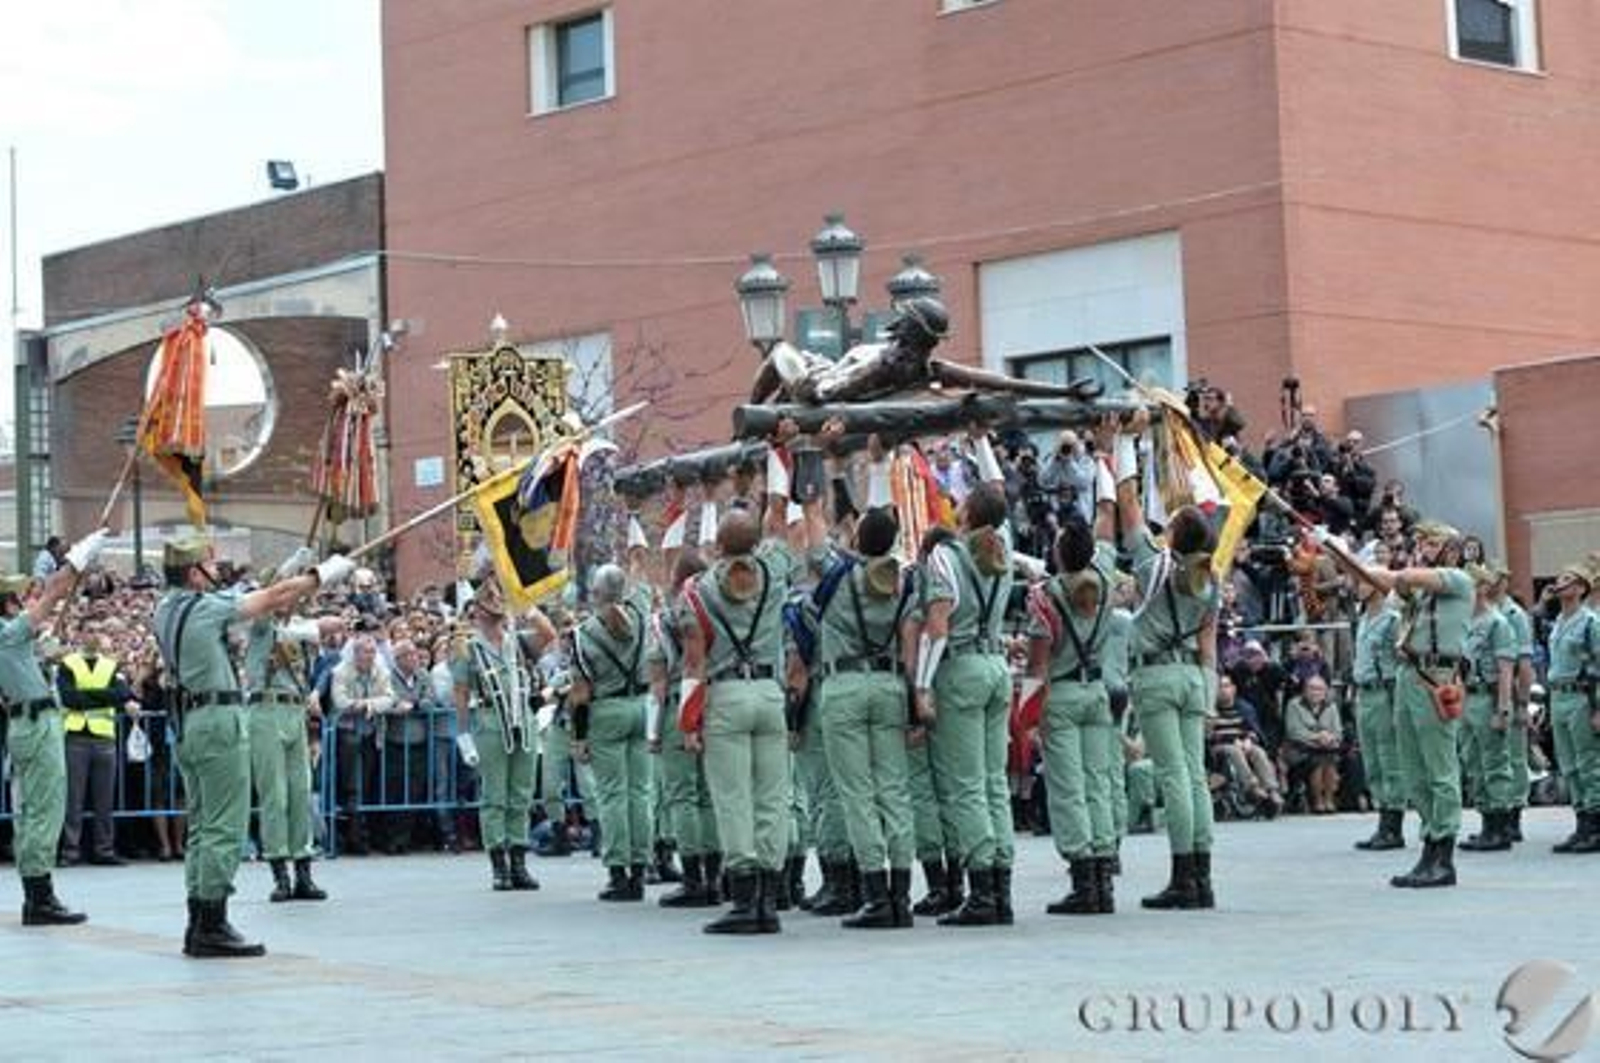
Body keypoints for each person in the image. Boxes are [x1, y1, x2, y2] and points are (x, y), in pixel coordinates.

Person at [154, 536, 354, 957]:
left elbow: (272, 600)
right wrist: (323, 574)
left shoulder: (166, 607)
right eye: (210, 565)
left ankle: (199, 919)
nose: (216, 571)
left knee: (203, 826)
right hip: (217, 720)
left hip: (190, 719)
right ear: (194, 573)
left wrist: (297, 574)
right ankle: (213, 923)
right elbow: (273, 596)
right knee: (224, 825)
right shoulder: (203, 607)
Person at [676, 444, 802, 935]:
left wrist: (689, 720)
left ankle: (745, 897)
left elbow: (693, 659)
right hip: (769, 693)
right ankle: (770, 898)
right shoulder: (773, 569)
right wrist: (776, 457)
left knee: (733, 798)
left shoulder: (698, 590)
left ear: (718, 546)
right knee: (773, 795)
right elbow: (779, 519)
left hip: (727, 694)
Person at [907, 426, 1017, 926]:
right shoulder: (1004, 546)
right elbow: (999, 495)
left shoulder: (946, 556)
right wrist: (982, 443)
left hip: (962, 669)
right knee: (994, 782)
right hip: (997, 665)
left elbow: (938, 628)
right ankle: (1002, 885)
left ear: (966, 515)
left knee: (966, 784)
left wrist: (922, 687)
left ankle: (982, 890)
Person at [1113, 412, 1221, 910]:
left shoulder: (1155, 565)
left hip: (1157, 672)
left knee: (1173, 774)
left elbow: (1128, 505)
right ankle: (1202, 873)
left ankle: (1182, 873)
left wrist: (1123, 444)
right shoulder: (1211, 580)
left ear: (1175, 536)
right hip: (1193, 674)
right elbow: (1209, 643)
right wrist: (1210, 692)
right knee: (1195, 774)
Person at [1330, 521, 1472, 888]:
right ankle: (1429, 842)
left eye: (1431, 543)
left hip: (1436, 676)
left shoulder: (1458, 580)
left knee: (1440, 768)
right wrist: (1338, 553)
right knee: (1413, 769)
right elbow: (1377, 579)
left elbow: (1399, 577)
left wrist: (1393, 576)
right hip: (1409, 674)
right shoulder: (1417, 591)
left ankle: (1443, 852)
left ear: (1452, 550)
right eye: (1420, 542)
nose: (1422, 548)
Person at [810, 471, 917, 929]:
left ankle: (875, 892)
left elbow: (814, 535)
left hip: (846, 684)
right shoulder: (905, 583)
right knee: (894, 789)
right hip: (890, 682)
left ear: (857, 538)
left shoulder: (838, 576)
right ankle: (902, 896)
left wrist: (813, 478)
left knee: (857, 793)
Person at [1021, 444, 1120, 918]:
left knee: (1068, 787)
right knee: (1099, 780)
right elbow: (1106, 521)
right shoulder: (1104, 582)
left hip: (1061, 691)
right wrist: (1105, 458)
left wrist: (1027, 716)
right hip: (1096, 689)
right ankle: (1104, 871)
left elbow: (1037, 666)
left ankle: (1082, 876)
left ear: (1059, 555)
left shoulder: (1046, 597)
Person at [2, 527, 109, 926]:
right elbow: (55, 591)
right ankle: (41, 897)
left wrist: (42, 654)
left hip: (26, 722)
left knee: (33, 810)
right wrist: (80, 555)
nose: (27, 601)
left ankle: (37, 893)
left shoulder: (13, 639)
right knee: (45, 809)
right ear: (9, 604)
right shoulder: (10, 632)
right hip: (37, 724)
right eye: (20, 598)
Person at [452, 585, 558, 890]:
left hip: (522, 720)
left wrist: (525, 606)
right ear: (477, 610)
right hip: (490, 722)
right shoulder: (467, 647)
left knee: (521, 795)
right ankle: (499, 865)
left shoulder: (517, 641)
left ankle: (519, 862)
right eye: (489, 600)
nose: (496, 604)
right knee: (494, 797)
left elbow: (548, 634)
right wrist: (463, 734)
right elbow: (460, 692)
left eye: (499, 599)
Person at [570, 563, 657, 902]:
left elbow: (580, 692)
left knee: (612, 795)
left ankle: (619, 870)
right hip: (642, 705)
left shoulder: (584, 634)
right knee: (641, 792)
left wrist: (579, 736)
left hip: (607, 710)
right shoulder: (641, 616)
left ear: (596, 594)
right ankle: (641, 866)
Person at [243, 553, 327, 902]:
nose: (293, 598)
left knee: (300, 792)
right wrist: (294, 564)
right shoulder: (260, 625)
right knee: (274, 795)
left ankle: (303, 870)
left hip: (294, 711)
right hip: (265, 710)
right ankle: (279, 871)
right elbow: (269, 596)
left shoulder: (298, 630)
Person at [652, 550, 722, 908]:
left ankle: (693, 878)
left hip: (682, 700)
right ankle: (716, 875)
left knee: (682, 794)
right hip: (715, 698)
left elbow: (658, 680)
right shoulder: (717, 611)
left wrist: (653, 731)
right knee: (709, 793)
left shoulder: (666, 618)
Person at [56, 631, 140, 866]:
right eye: (89, 631)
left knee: (105, 799)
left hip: (104, 737)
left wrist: (88, 697)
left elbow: (121, 694)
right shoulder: (68, 663)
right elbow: (70, 699)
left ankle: (104, 850)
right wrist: (106, 697)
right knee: (73, 799)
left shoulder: (111, 665)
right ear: (80, 636)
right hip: (76, 736)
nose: (93, 636)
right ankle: (70, 851)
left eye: (97, 632)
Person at [1457, 565, 1518, 853]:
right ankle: (1486, 822)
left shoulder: (1497, 623)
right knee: (1473, 762)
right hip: (1467, 696)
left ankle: (1501, 825)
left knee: (1494, 762)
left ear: (1482, 588)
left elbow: (1506, 670)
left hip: (1488, 696)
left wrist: (1503, 708)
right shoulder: (1464, 622)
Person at [1542, 565, 1600, 853]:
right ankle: (1582, 823)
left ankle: (1596, 825)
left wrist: (1598, 708)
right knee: (1568, 764)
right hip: (1558, 696)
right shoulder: (1557, 622)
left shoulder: (1590, 623)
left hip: (1581, 697)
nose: (1559, 583)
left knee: (1588, 762)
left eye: (1567, 580)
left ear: (1580, 588)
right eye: (1559, 578)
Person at [1350, 576, 1406, 851]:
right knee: (1372, 761)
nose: (1357, 586)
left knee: (1389, 759)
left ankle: (1393, 825)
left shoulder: (1392, 620)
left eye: (1362, 581)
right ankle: (1382, 818)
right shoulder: (1363, 619)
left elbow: (1400, 662)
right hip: (1365, 692)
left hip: (1384, 692)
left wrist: (1397, 704)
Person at [330, 635, 394, 854]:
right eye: (366, 652)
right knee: (353, 786)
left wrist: (367, 705)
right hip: (348, 734)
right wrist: (369, 705)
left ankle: (360, 833)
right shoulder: (341, 671)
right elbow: (340, 702)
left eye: (373, 652)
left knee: (366, 785)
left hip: (372, 734)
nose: (370, 656)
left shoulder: (381, 671)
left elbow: (389, 698)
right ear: (355, 653)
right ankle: (356, 838)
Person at [1486, 562, 1535, 841]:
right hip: (1485, 690)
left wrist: (1522, 704)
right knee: (1492, 757)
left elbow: (1524, 664)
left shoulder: (1514, 614)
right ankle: (1496, 813)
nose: (1491, 583)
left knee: (1514, 756)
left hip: (1510, 689)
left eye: (1496, 578)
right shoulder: (1481, 612)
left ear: (1505, 581)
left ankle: (1513, 815)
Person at [1207, 674, 1283, 816]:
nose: (1223, 690)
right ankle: (1251, 787)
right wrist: (1232, 740)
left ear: (1233, 689)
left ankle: (1271, 789)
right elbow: (1208, 736)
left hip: (1242, 743)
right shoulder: (1210, 710)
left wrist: (1249, 739)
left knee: (1258, 751)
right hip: (1219, 748)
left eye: (1226, 686)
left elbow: (1254, 730)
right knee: (1234, 750)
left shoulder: (1244, 708)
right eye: (1219, 687)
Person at [1283, 675, 1343, 814]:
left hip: (1327, 748)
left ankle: (1329, 800)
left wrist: (1330, 738)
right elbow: (1294, 731)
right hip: (1300, 749)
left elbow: (1338, 731)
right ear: (1305, 690)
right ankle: (1318, 801)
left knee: (1330, 760)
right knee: (1316, 761)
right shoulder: (1294, 705)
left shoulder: (1331, 706)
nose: (1316, 692)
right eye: (1312, 688)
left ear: (1325, 692)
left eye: (1319, 689)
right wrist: (1316, 738)